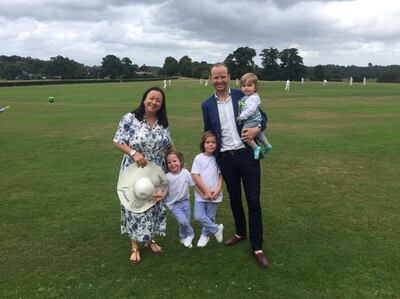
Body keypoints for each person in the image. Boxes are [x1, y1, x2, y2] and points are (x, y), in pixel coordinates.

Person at [201, 62, 269, 268]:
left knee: (253, 200)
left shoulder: (244, 95)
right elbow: (209, 132)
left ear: (229, 77)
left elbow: (262, 117)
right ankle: (241, 232)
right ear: (211, 79)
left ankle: (257, 247)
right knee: (235, 199)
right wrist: (206, 156)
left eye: (223, 77)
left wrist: (257, 129)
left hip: (247, 154)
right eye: (215, 77)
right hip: (225, 158)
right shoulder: (206, 105)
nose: (219, 81)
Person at [113, 86, 173, 264]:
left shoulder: (163, 124)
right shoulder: (130, 119)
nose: (154, 102)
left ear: (161, 104)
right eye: (151, 98)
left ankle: (149, 240)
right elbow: (118, 140)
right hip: (134, 171)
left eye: (158, 100)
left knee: (153, 204)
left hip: (155, 171)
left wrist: (176, 162)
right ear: (144, 99)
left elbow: (169, 146)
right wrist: (133, 153)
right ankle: (134, 247)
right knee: (135, 205)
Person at [191, 131, 224, 247]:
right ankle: (216, 229)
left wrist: (218, 190)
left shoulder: (218, 158)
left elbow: (221, 176)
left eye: (213, 142)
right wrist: (205, 191)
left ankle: (205, 236)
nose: (211, 145)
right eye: (208, 142)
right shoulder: (199, 158)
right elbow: (195, 176)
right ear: (203, 144)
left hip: (215, 193)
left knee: (210, 217)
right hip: (201, 193)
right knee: (198, 216)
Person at [236, 73, 272, 160]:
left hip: (252, 120)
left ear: (255, 87)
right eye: (244, 86)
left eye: (249, 85)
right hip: (253, 120)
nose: (246, 88)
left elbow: (251, 110)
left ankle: (256, 148)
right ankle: (267, 144)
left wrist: (241, 117)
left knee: (245, 134)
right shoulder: (246, 97)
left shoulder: (253, 98)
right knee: (258, 133)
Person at [165, 149, 195, 248]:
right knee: (183, 221)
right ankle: (191, 234)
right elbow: (165, 190)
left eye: (174, 161)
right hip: (174, 204)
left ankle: (183, 237)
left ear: (180, 161)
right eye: (169, 162)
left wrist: (204, 193)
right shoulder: (167, 177)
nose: (172, 164)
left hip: (185, 202)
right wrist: (160, 196)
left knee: (185, 222)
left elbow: (193, 184)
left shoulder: (185, 173)